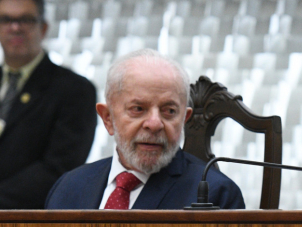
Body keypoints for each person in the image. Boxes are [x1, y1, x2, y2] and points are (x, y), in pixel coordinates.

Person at [45, 48, 245, 210]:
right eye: (138, 109)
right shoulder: (69, 187)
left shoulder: (216, 195)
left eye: (169, 111)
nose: (154, 124)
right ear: (108, 118)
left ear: (184, 119)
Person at [0, 0, 97, 209]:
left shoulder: (75, 90)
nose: (15, 27)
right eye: (6, 20)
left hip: (35, 223)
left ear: (43, 28)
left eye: (26, 20)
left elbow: (60, 167)